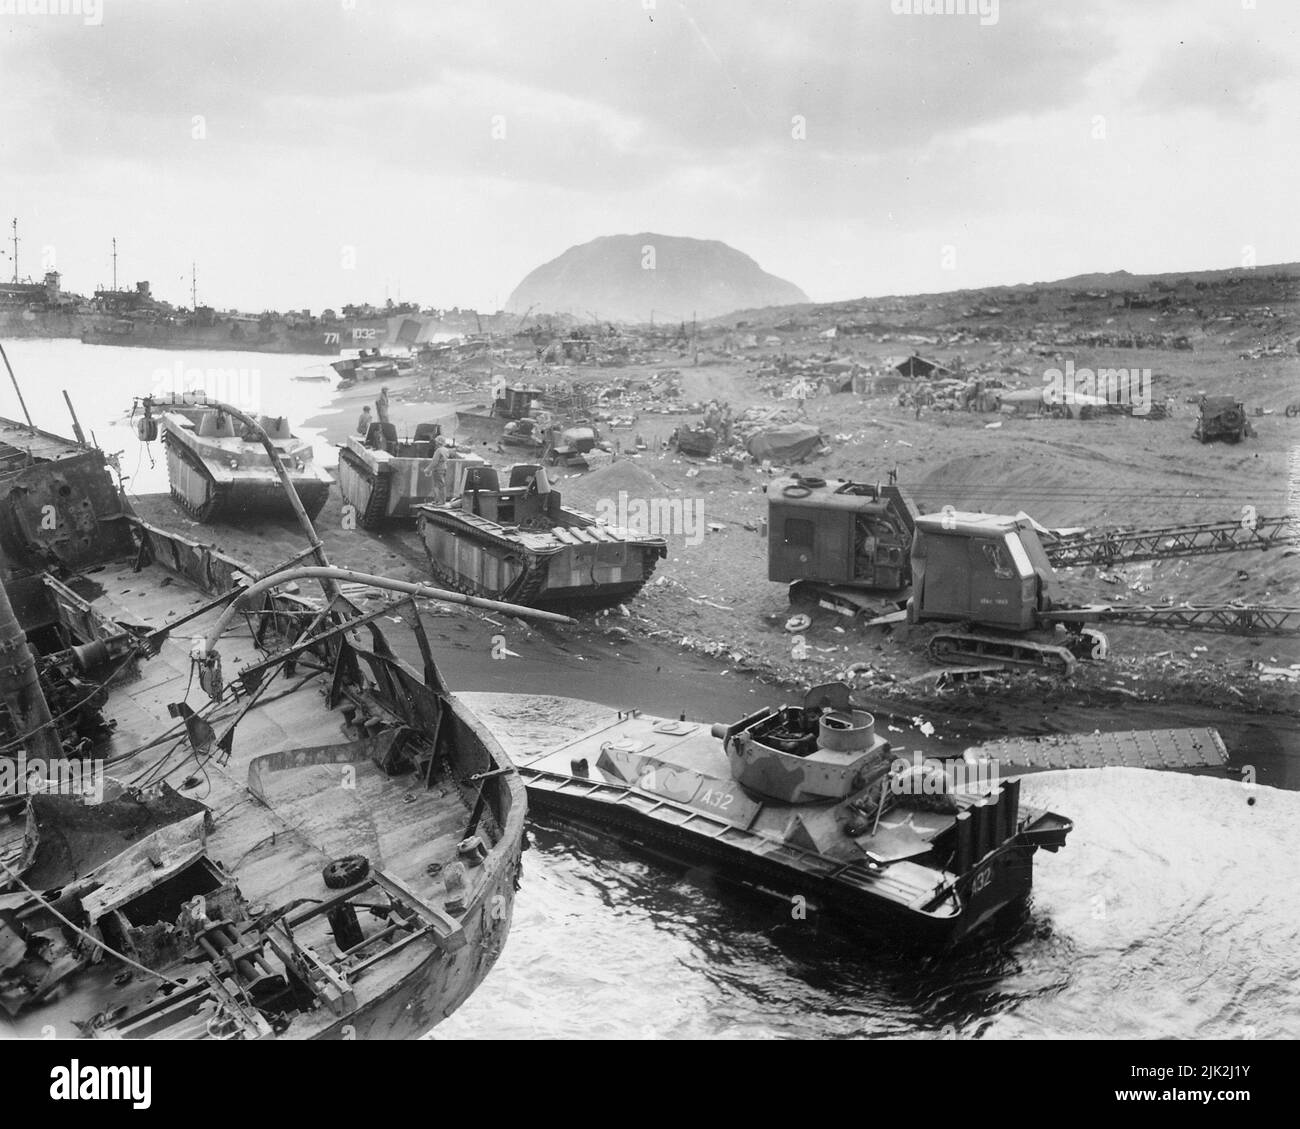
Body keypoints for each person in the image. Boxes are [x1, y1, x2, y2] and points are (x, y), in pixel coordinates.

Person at [428, 435, 450, 504]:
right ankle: (438, 500)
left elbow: (435, 462)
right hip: (443, 468)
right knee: (440, 485)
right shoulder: (446, 450)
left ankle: (441, 501)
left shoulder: (438, 450)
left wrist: (428, 469)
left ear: (438, 442)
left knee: (438, 485)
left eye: (436, 442)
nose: (435, 443)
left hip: (437, 470)